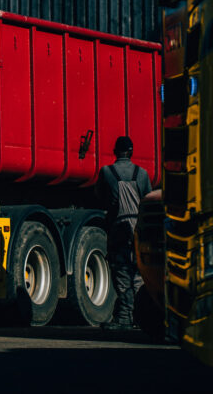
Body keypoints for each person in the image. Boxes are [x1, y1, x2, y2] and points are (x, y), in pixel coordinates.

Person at [96, 135, 153, 329]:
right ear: (132, 152)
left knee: (121, 271)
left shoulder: (106, 172)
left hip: (118, 226)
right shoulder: (142, 173)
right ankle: (138, 315)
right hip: (139, 226)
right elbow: (148, 200)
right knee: (138, 272)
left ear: (114, 152)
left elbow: (101, 199)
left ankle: (125, 317)